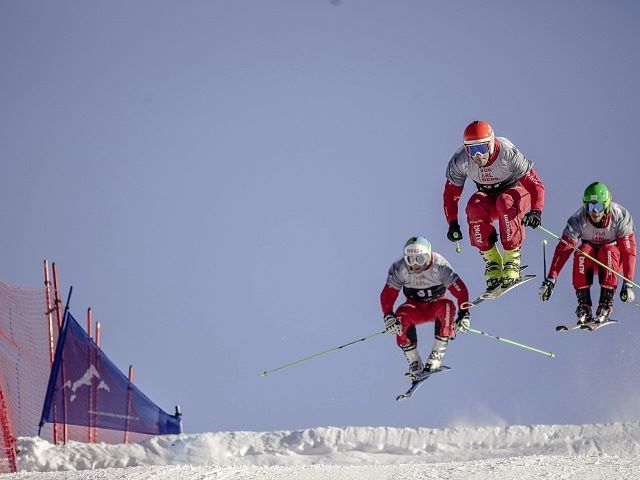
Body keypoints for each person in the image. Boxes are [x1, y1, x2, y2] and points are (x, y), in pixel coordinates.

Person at [443, 120, 545, 290]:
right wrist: (452, 222)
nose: (477, 156)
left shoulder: (507, 152)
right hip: (490, 197)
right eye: (471, 150)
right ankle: (493, 261)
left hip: (517, 192)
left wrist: (536, 211)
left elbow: (536, 185)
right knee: (475, 206)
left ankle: (512, 258)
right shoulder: (461, 161)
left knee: (505, 201)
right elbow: (450, 194)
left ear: (490, 143)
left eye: (481, 149)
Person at [539, 182, 636, 324]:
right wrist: (551, 279)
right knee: (582, 251)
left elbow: (629, 252)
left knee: (608, 250)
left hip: (612, 261)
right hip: (590, 262)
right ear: (585, 206)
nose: (595, 212)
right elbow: (563, 250)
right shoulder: (578, 219)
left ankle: (605, 304)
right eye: (591, 207)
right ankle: (584, 305)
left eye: (599, 207)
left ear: (607, 205)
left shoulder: (620, 216)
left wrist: (628, 284)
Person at [380, 236, 471, 381]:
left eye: (420, 259)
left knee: (447, 306)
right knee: (400, 316)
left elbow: (460, 290)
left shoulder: (439, 265)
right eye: (410, 260)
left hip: (436, 305)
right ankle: (414, 361)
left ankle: (436, 355)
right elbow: (388, 294)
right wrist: (388, 316)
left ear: (428, 256)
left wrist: (464, 314)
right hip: (414, 308)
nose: (415, 265)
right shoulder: (401, 268)